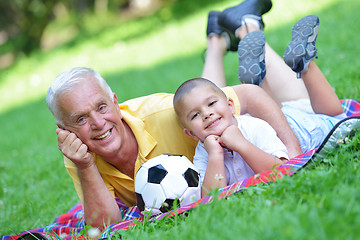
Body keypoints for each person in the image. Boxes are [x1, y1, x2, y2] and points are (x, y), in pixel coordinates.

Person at [46, 0, 302, 229]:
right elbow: (104, 227)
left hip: (251, 131)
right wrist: (85, 166)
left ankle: (247, 27)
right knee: (203, 106)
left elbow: (248, 95)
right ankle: (216, 40)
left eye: (101, 107)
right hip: (211, 146)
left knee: (296, 103)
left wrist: (293, 155)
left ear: (115, 102)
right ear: (65, 130)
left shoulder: (162, 114)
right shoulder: (80, 155)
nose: (98, 123)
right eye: (81, 119)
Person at [173, 14, 347, 196]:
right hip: (280, 116)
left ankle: (305, 65)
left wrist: (241, 145)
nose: (207, 114)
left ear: (231, 106)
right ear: (191, 134)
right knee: (292, 106)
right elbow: (209, 198)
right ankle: (259, 80)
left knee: (336, 118)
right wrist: (215, 155)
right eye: (195, 115)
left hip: (303, 131)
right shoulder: (204, 152)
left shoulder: (253, 127)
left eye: (212, 103)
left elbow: (280, 170)